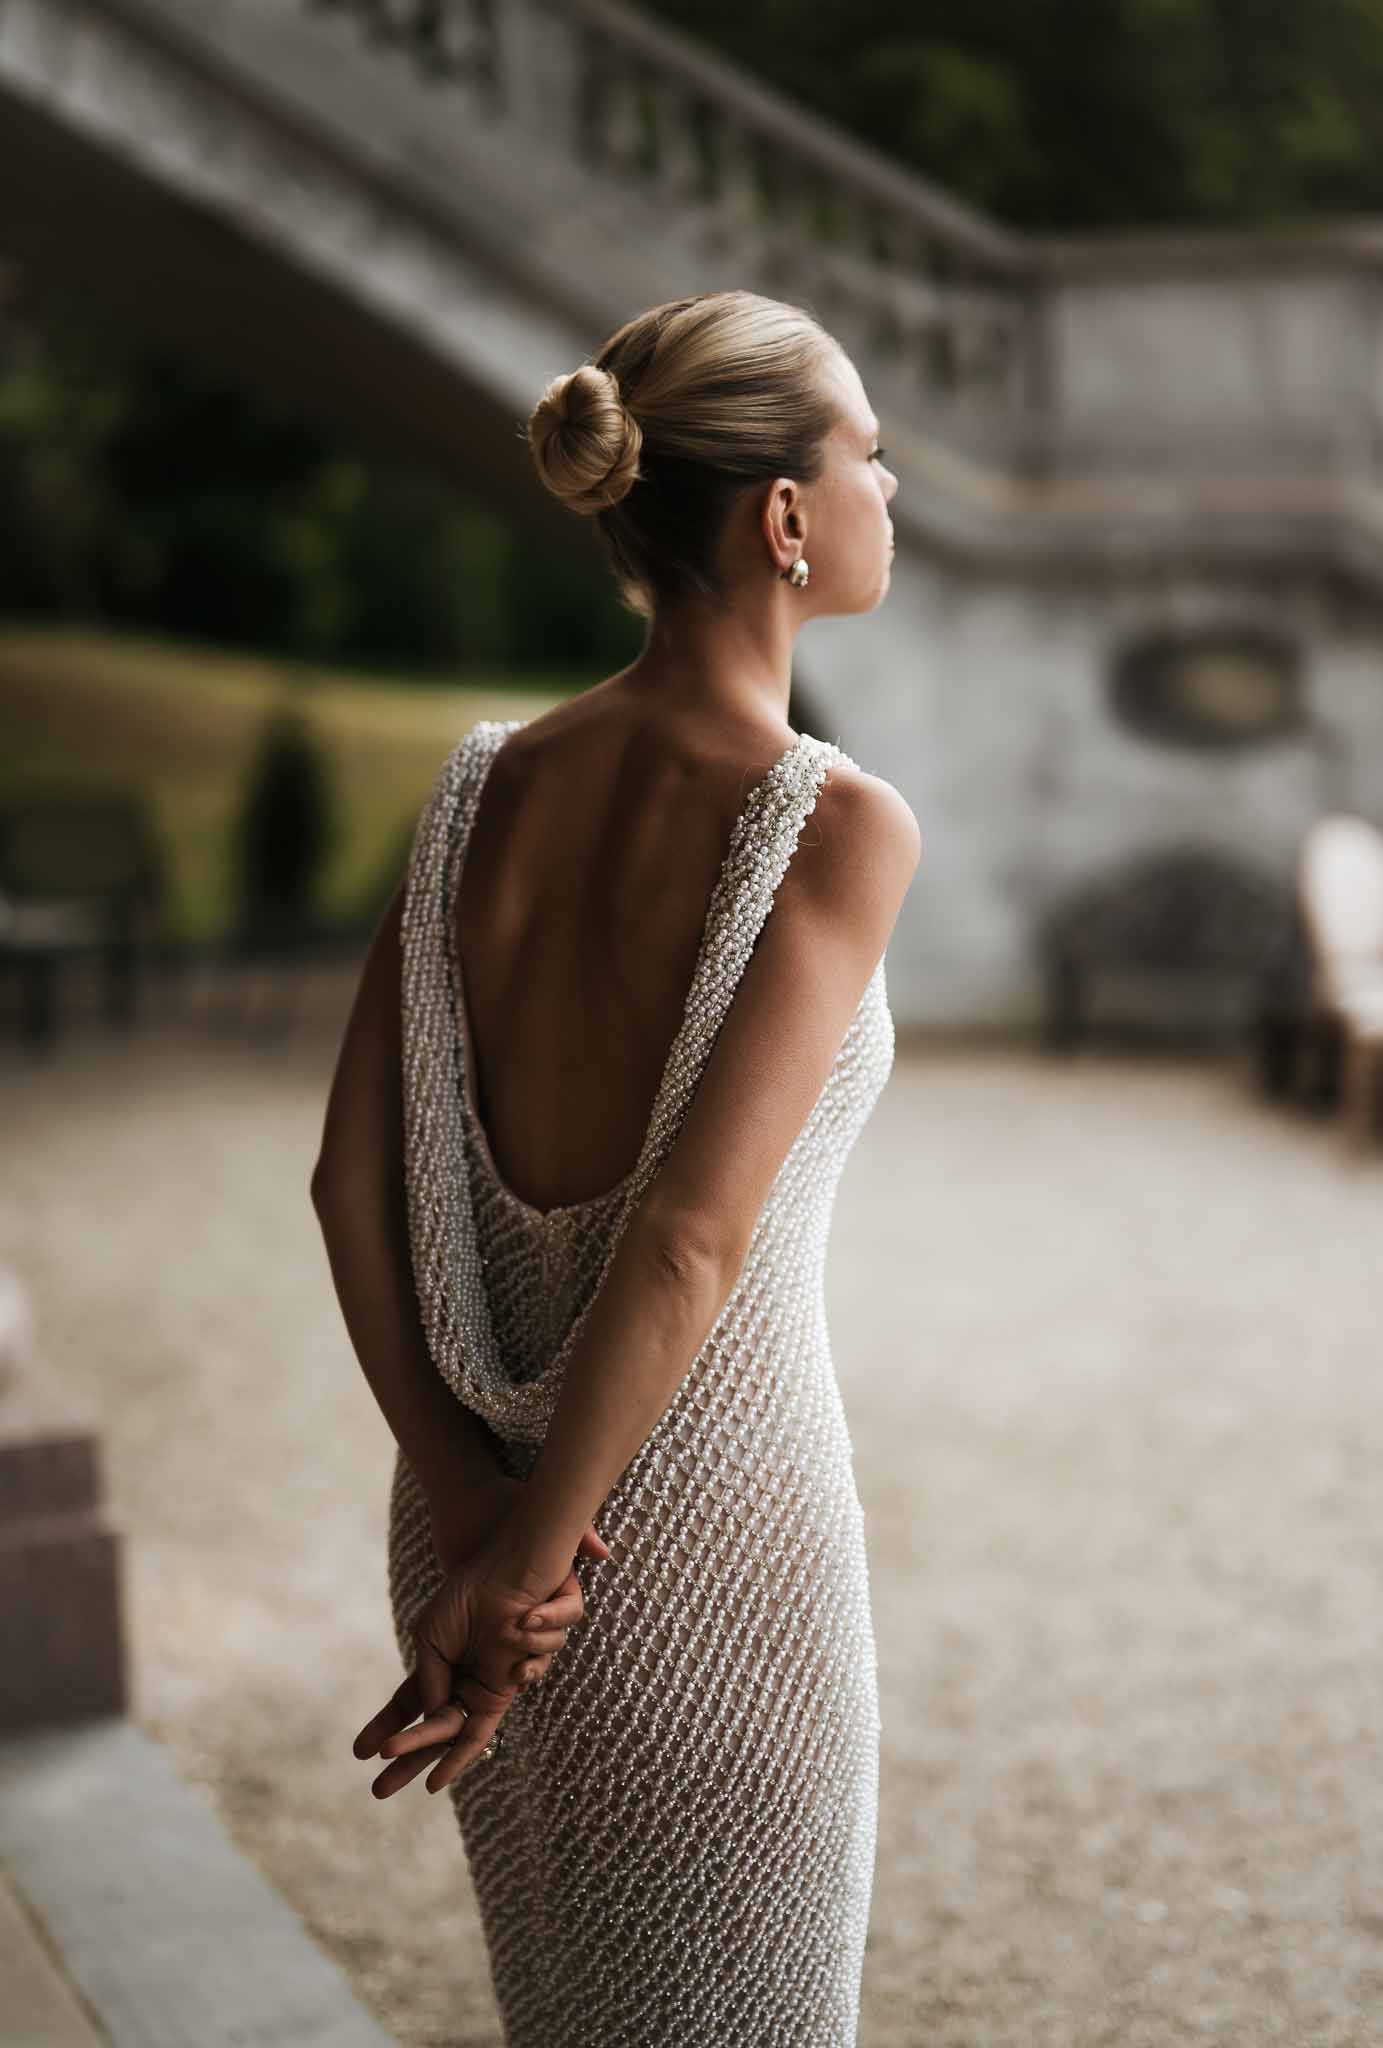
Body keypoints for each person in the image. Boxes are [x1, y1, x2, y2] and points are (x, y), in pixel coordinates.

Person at [310, 288, 919, 2046]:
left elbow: (349, 1183)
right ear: (784, 520)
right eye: (868, 452)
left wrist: (479, 1518)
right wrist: (534, 1574)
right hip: (698, 1551)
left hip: (486, 1528)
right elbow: (682, 1249)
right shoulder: (831, 820)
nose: (895, 485)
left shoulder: (482, 787)